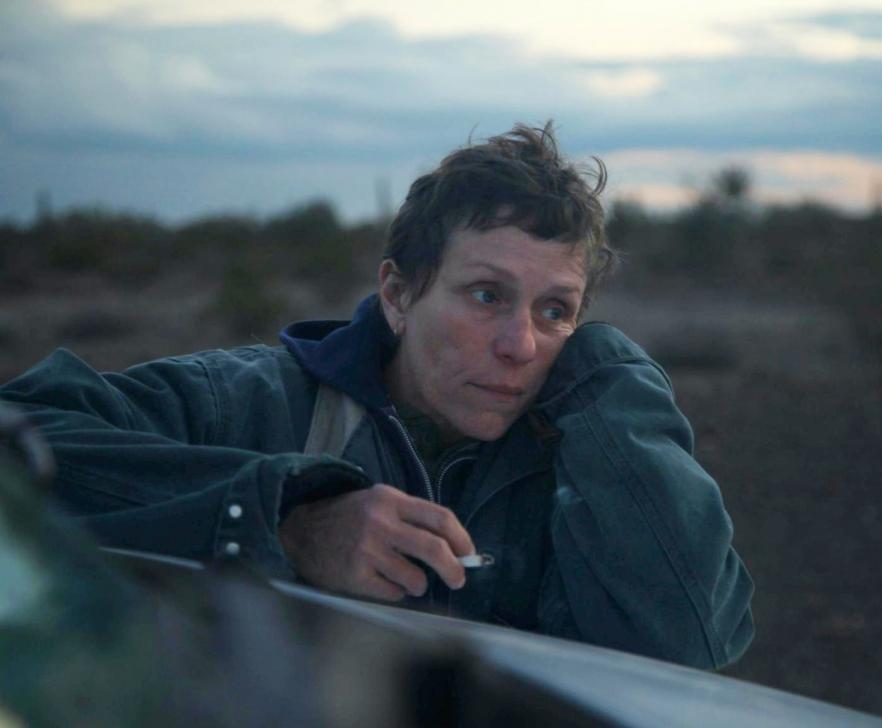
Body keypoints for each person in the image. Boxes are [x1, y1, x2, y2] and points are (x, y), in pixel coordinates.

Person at [1, 122, 753, 669]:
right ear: (397, 293)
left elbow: (687, 646)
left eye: (555, 310)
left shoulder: (582, 463)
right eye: (487, 295)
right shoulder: (257, 403)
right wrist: (286, 517)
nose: (520, 345)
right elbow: (22, 436)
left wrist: (602, 369)